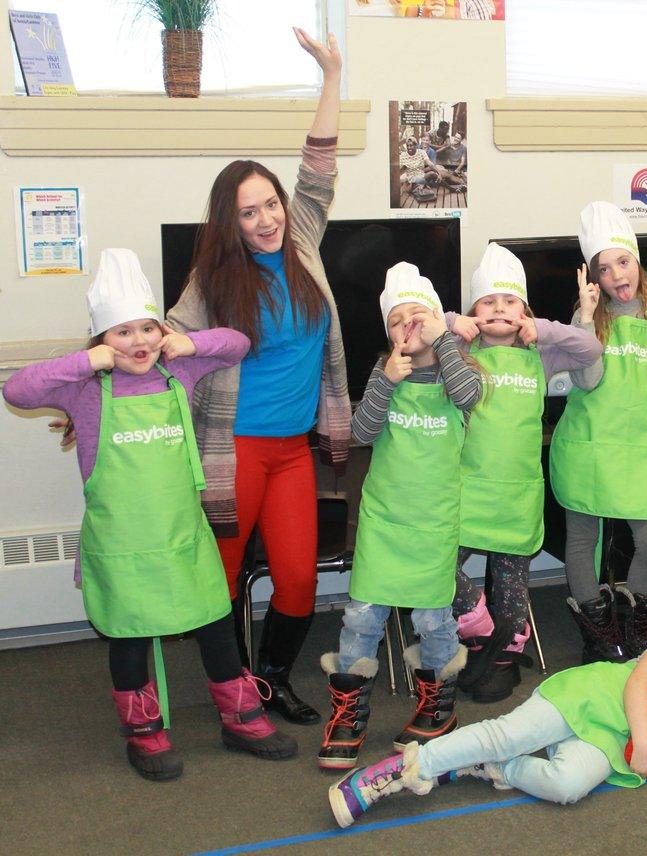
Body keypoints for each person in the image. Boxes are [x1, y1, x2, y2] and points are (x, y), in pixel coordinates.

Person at [3, 249, 297, 781]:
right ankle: (144, 731)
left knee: (214, 621)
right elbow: (16, 389)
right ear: (101, 341)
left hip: (182, 534)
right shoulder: (84, 388)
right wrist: (87, 361)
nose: (138, 342)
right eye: (121, 333)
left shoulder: (177, 369)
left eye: (146, 328)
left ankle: (240, 718)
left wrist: (186, 340)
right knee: (129, 633)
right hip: (123, 543)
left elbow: (238, 343)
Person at [164, 29, 352, 725]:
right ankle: (232, 686)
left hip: (292, 450)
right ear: (231, 222)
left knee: (300, 579)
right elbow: (166, 339)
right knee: (219, 579)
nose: (267, 218)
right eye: (250, 212)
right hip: (234, 449)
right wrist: (95, 390)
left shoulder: (303, 239)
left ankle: (270, 676)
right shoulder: (213, 282)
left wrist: (331, 75)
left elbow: (320, 164)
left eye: (270, 203)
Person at [326, 595, 647, 827]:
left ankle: (492, 768)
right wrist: (643, 743)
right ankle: (397, 770)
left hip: (607, 740)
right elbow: (639, 684)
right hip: (590, 698)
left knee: (567, 786)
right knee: (507, 733)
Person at [316, 263, 482, 770]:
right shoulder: (383, 376)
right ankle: (348, 712)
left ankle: (437, 708)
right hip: (384, 524)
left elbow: (469, 396)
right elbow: (360, 434)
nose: (408, 326)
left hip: (433, 525)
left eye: (418, 317)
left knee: (433, 620)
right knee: (362, 617)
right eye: (396, 321)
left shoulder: (460, 376)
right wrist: (383, 381)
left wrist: (447, 338)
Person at [440, 243, 602, 703]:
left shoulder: (540, 356)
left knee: (512, 592)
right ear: (475, 310)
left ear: (524, 311)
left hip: (517, 495)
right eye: (487, 302)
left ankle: (503, 652)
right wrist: (454, 323)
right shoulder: (460, 351)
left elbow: (590, 349)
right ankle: (478, 626)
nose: (498, 310)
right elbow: (421, 320)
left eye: (509, 302)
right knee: (438, 565)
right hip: (468, 491)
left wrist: (544, 328)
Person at [549, 201, 647, 663]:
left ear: (638, 261)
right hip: (587, 448)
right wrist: (584, 320)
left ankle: (635, 627)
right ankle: (598, 633)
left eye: (623, 261)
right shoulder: (591, 316)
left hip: (635, 450)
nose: (616, 275)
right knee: (582, 541)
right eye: (604, 268)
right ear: (594, 276)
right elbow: (587, 381)